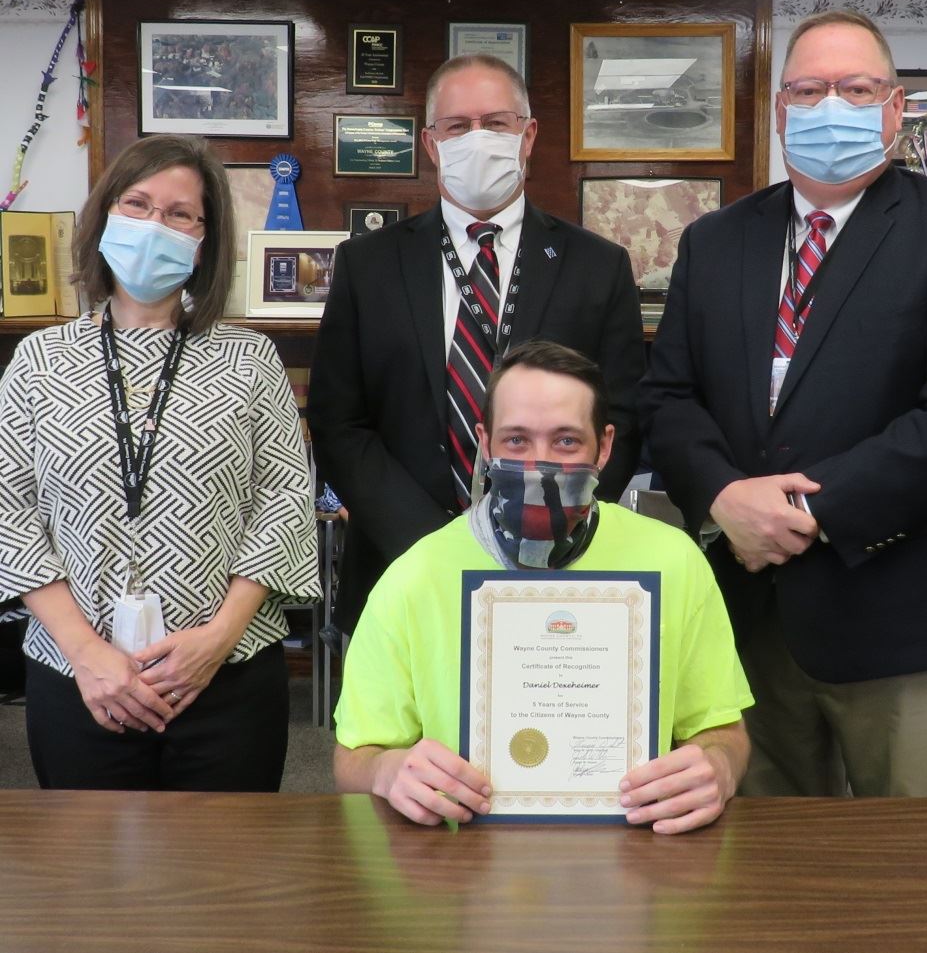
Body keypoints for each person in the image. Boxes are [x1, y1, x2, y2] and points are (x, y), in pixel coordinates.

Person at [641, 10, 927, 797]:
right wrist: (722, 495)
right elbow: (667, 397)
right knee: (760, 861)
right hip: (747, 618)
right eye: (807, 90)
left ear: (895, 108)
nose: (828, 105)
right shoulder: (713, 240)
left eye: (856, 89)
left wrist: (800, 512)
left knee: (910, 859)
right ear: (779, 112)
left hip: (903, 621)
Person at [0, 134, 321, 791]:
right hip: (79, 675)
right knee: (90, 853)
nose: (155, 225)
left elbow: (284, 501)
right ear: (105, 217)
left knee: (227, 853)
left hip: (228, 671)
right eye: (138, 204)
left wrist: (217, 639)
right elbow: (10, 508)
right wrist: (86, 653)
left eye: (180, 214)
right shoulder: (40, 360)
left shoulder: (249, 359)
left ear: (204, 240)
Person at [333, 340, 751, 833]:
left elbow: (723, 730)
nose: (539, 463)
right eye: (516, 441)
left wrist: (720, 767)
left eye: (566, 441)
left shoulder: (674, 561)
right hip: (460, 853)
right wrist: (386, 772)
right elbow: (353, 758)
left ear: (605, 446)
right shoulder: (413, 577)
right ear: (485, 444)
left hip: (635, 846)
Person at [307, 54, 644, 635]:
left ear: (528, 135)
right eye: (458, 126)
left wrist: (551, 521)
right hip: (402, 561)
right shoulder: (368, 265)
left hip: (556, 568)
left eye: (496, 123)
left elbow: (626, 416)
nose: (477, 138)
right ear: (431, 143)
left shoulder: (598, 266)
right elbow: (339, 421)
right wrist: (434, 542)